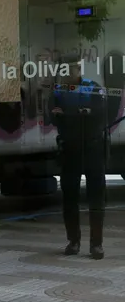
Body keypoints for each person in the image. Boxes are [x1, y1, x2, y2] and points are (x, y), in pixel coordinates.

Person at [50, 58, 108, 260]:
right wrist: (77, 114)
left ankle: (96, 245)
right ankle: (73, 241)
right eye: (64, 70)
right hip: (70, 148)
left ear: (78, 69)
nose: (67, 73)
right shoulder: (59, 90)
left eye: (70, 69)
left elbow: (100, 114)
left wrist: (72, 114)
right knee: (69, 197)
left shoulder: (92, 88)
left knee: (96, 197)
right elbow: (53, 115)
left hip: (92, 147)